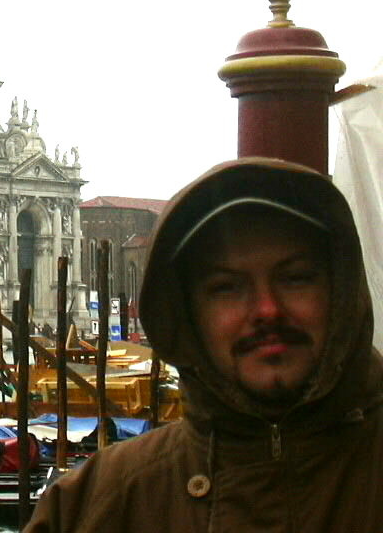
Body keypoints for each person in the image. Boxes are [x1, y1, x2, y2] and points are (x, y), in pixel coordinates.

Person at [24, 157, 383, 532]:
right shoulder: (93, 504)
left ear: (341, 293)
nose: (267, 310)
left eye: (295, 278)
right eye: (226, 288)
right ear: (187, 314)